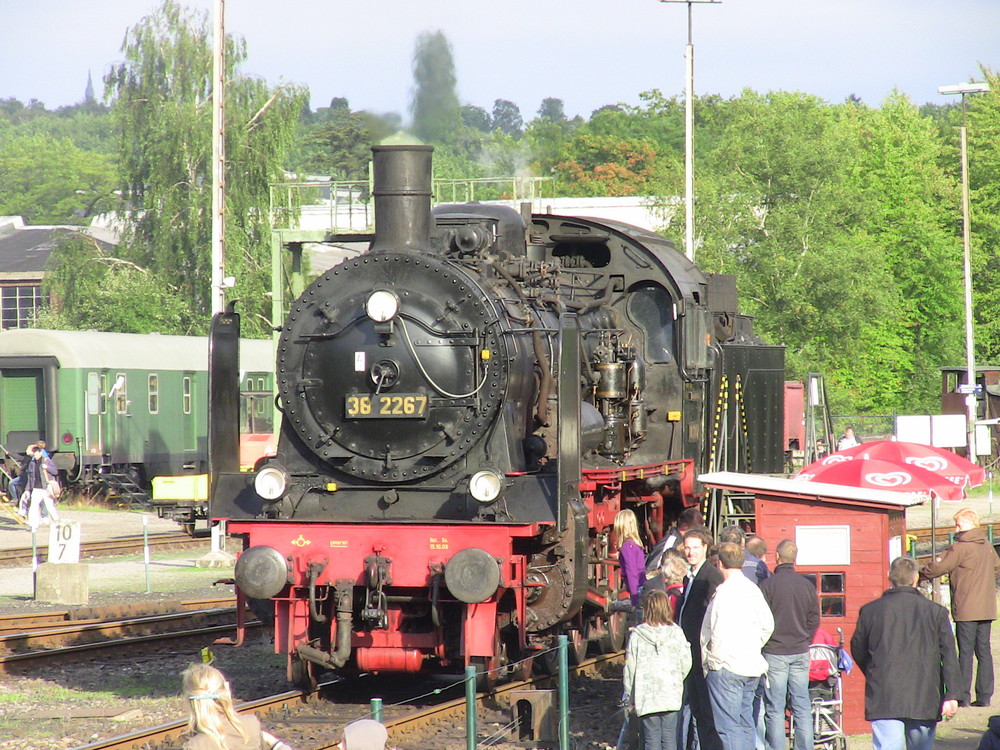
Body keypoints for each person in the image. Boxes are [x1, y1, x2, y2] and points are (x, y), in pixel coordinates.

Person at [851, 556, 961, 750]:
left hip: (884, 693)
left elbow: (858, 648)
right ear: (916, 578)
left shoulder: (870, 611)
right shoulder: (935, 612)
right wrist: (952, 694)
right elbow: (949, 655)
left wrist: (874, 671)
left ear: (889, 577)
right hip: (925, 694)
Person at [921, 507, 1000, 707]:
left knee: (964, 651)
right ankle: (984, 696)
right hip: (987, 606)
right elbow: (997, 567)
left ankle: (962, 695)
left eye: (958, 524)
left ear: (967, 524)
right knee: (984, 650)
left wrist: (919, 574)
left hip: (966, 607)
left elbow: (939, 567)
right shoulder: (987, 545)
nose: (955, 528)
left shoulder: (960, 547)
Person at [701, 542, 774, 750]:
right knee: (745, 723)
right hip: (751, 666)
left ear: (719, 563)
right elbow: (768, 625)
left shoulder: (722, 593)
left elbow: (710, 631)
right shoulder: (753, 590)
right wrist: (753, 645)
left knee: (728, 728)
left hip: (726, 667)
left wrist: (713, 660)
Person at [759, 540, 820, 750]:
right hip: (800, 650)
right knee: (801, 706)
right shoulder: (807, 585)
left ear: (777, 557)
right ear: (795, 558)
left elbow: (760, 620)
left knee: (774, 708)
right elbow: (814, 620)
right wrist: (805, 639)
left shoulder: (767, 585)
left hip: (774, 651)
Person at [624, 589, 692, 750]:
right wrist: (676, 679)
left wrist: (630, 695)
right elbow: (686, 662)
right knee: (669, 739)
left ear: (646, 609)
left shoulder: (638, 635)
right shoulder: (676, 632)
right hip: (670, 694)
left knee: (650, 740)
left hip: (646, 696)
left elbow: (630, 668)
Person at [678, 527, 724, 750]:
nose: (690, 552)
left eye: (695, 548)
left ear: (705, 547)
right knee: (697, 709)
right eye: (687, 548)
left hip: (701, 655)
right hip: (690, 654)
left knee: (706, 713)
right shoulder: (691, 577)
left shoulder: (710, 577)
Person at [182, 663, 292, 750]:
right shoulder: (251, 725)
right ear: (226, 690)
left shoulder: (195, 745)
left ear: (190, 701)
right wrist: (276, 744)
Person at [646, 507, 704, 576]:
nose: (697, 534)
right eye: (695, 530)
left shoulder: (683, 541)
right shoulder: (671, 542)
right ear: (684, 526)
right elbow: (651, 570)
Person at [22, 444, 60, 530]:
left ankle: (57, 522)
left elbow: (55, 471)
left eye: (36, 454)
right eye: (34, 454)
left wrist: (47, 467)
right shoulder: (32, 463)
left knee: (49, 506)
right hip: (36, 488)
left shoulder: (46, 461)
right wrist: (27, 489)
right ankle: (33, 524)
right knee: (33, 506)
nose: (35, 456)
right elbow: (30, 478)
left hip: (46, 488)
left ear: (40, 453)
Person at [615, 509, 647, 607]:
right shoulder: (633, 544)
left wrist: (634, 596)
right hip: (641, 587)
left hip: (638, 590)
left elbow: (632, 572)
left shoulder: (627, 546)